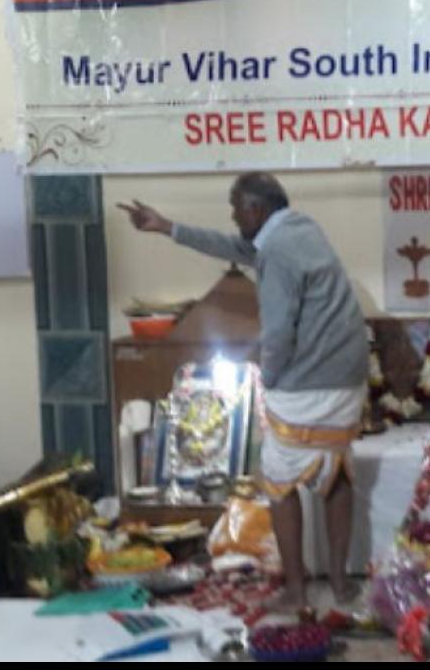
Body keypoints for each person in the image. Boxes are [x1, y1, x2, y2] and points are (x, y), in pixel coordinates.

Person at [118, 172, 368, 610]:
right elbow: (236, 249)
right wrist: (167, 227)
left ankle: (295, 590)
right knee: (336, 475)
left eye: (236, 209)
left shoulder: (278, 250)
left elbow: (278, 329)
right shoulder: (301, 229)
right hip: (347, 378)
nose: (233, 218)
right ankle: (341, 585)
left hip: (308, 383)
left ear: (256, 208)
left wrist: (265, 379)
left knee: (278, 480)